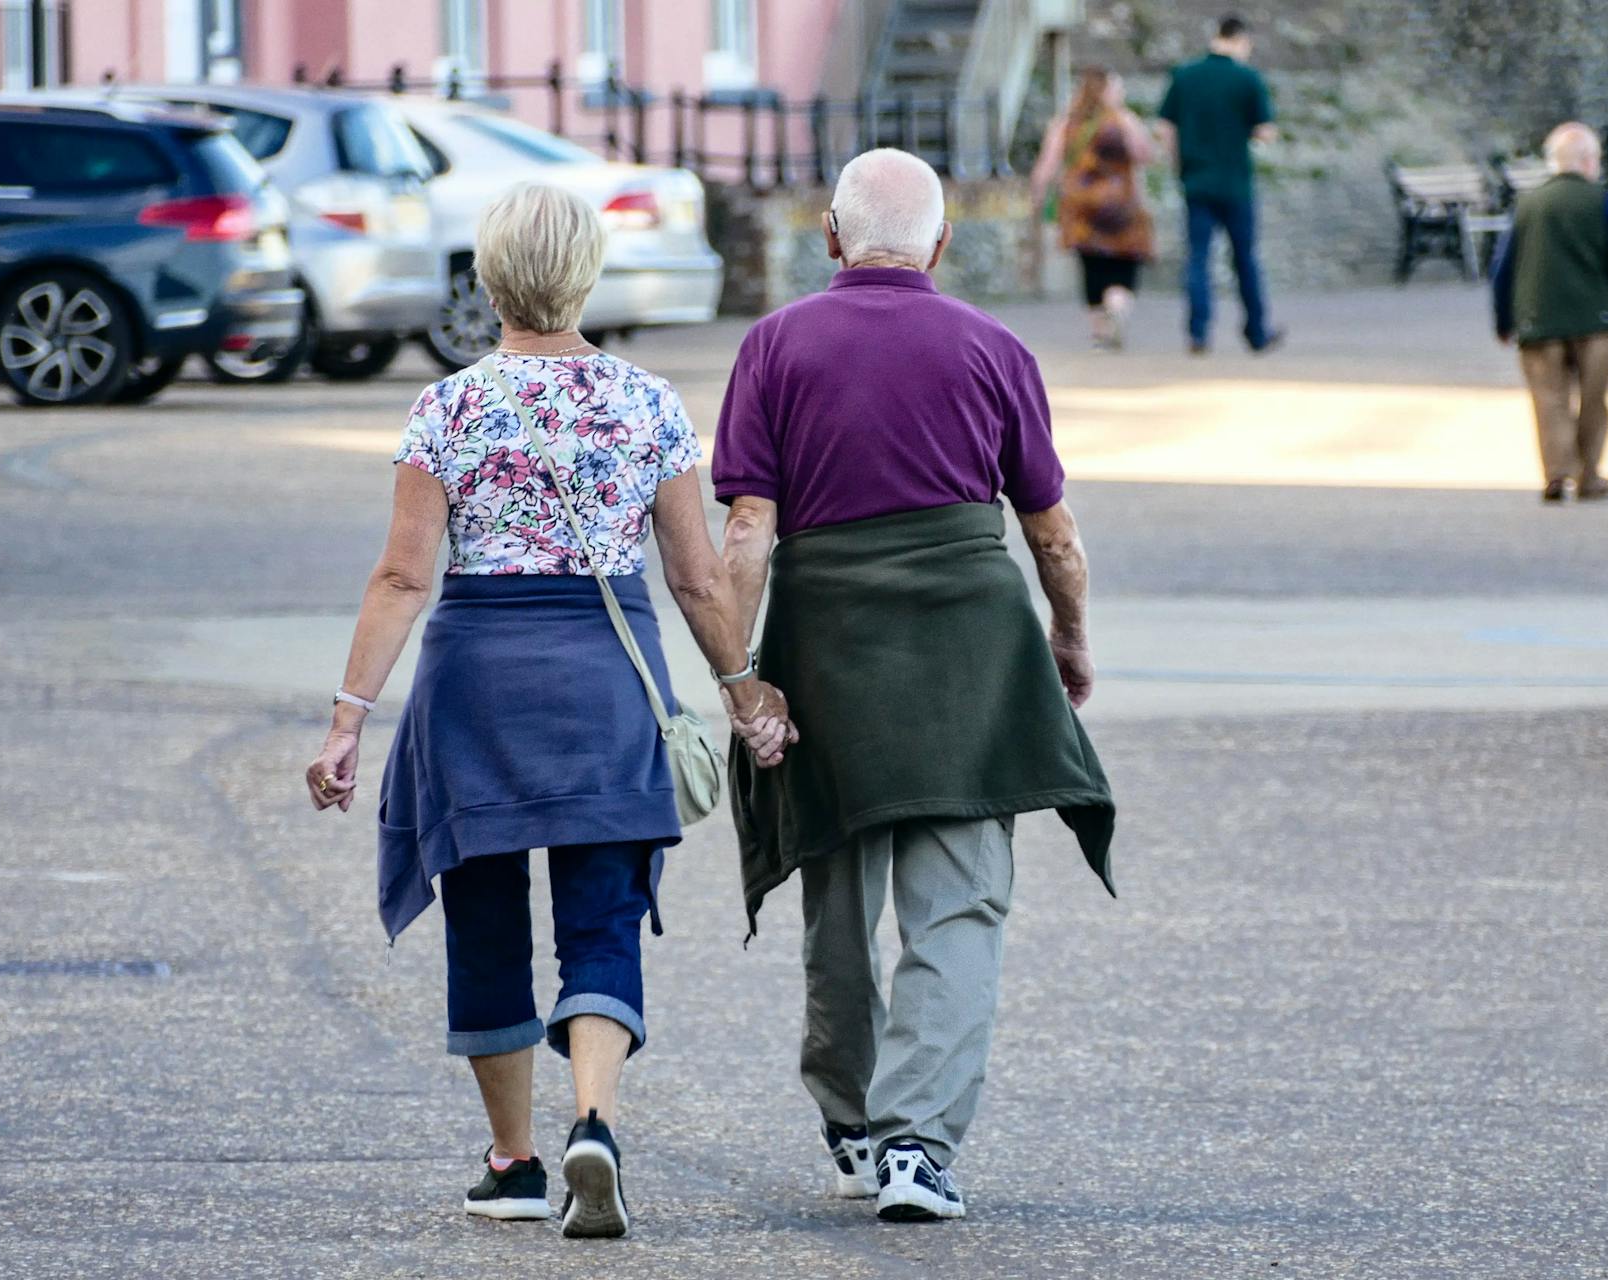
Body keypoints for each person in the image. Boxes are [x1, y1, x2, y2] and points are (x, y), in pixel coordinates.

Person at [303, 182, 794, 1241]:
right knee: (603, 921)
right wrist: (744, 693)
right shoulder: (650, 403)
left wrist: (348, 717)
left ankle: (515, 1160)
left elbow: (401, 577)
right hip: (605, 684)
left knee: (485, 921)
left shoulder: (448, 406)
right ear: (587, 275)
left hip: (475, 689)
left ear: (488, 277)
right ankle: (598, 1125)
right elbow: (700, 580)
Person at [713, 148, 1117, 1224]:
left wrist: (741, 674)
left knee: (836, 897)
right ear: (942, 244)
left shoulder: (775, 345)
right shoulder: (993, 346)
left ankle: (852, 1123)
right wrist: (1067, 640)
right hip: (968, 655)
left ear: (832, 240)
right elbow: (1053, 533)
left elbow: (748, 527)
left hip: (826, 644)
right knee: (959, 905)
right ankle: (917, 1149)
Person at [1491, 122, 1608, 503]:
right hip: (1596, 321)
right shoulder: (1603, 201)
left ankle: (1556, 474)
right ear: (1589, 161)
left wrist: (1504, 320)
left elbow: (1503, 268)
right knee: (1594, 400)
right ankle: (1589, 475)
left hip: (1538, 320)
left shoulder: (1527, 204)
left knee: (1549, 398)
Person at [1156, 14, 1283, 354]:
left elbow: (1165, 129)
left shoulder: (1185, 76)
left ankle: (1198, 332)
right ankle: (1256, 331)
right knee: (1244, 258)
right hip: (1235, 183)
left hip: (1196, 181)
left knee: (1198, 258)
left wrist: (1179, 164)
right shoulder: (1247, 79)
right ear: (1242, 40)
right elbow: (1265, 131)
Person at [1031, 65, 1157, 350]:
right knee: (1125, 263)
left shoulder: (1066, 123)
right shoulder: (1123, 121)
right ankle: (1117, 303)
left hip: (1081, 205)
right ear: (1108, 91)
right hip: (1121, 203)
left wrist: (1038, 195)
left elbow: (1047, 165)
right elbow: (1145, 155)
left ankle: (1100, 330)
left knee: (1091, 265)